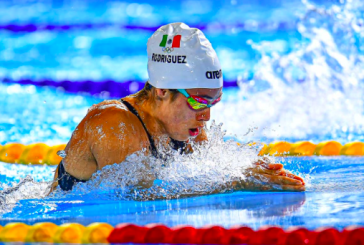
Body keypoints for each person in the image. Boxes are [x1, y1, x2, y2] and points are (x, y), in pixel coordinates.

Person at [50, 23, 305, 193]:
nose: (206, 116)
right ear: (162, 91)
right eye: (198, 102)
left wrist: (249, 168)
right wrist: (236, 182)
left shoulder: (184, 125)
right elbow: (137, 196)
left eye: (213, 102)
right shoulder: (114, 123)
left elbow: (210, 168)